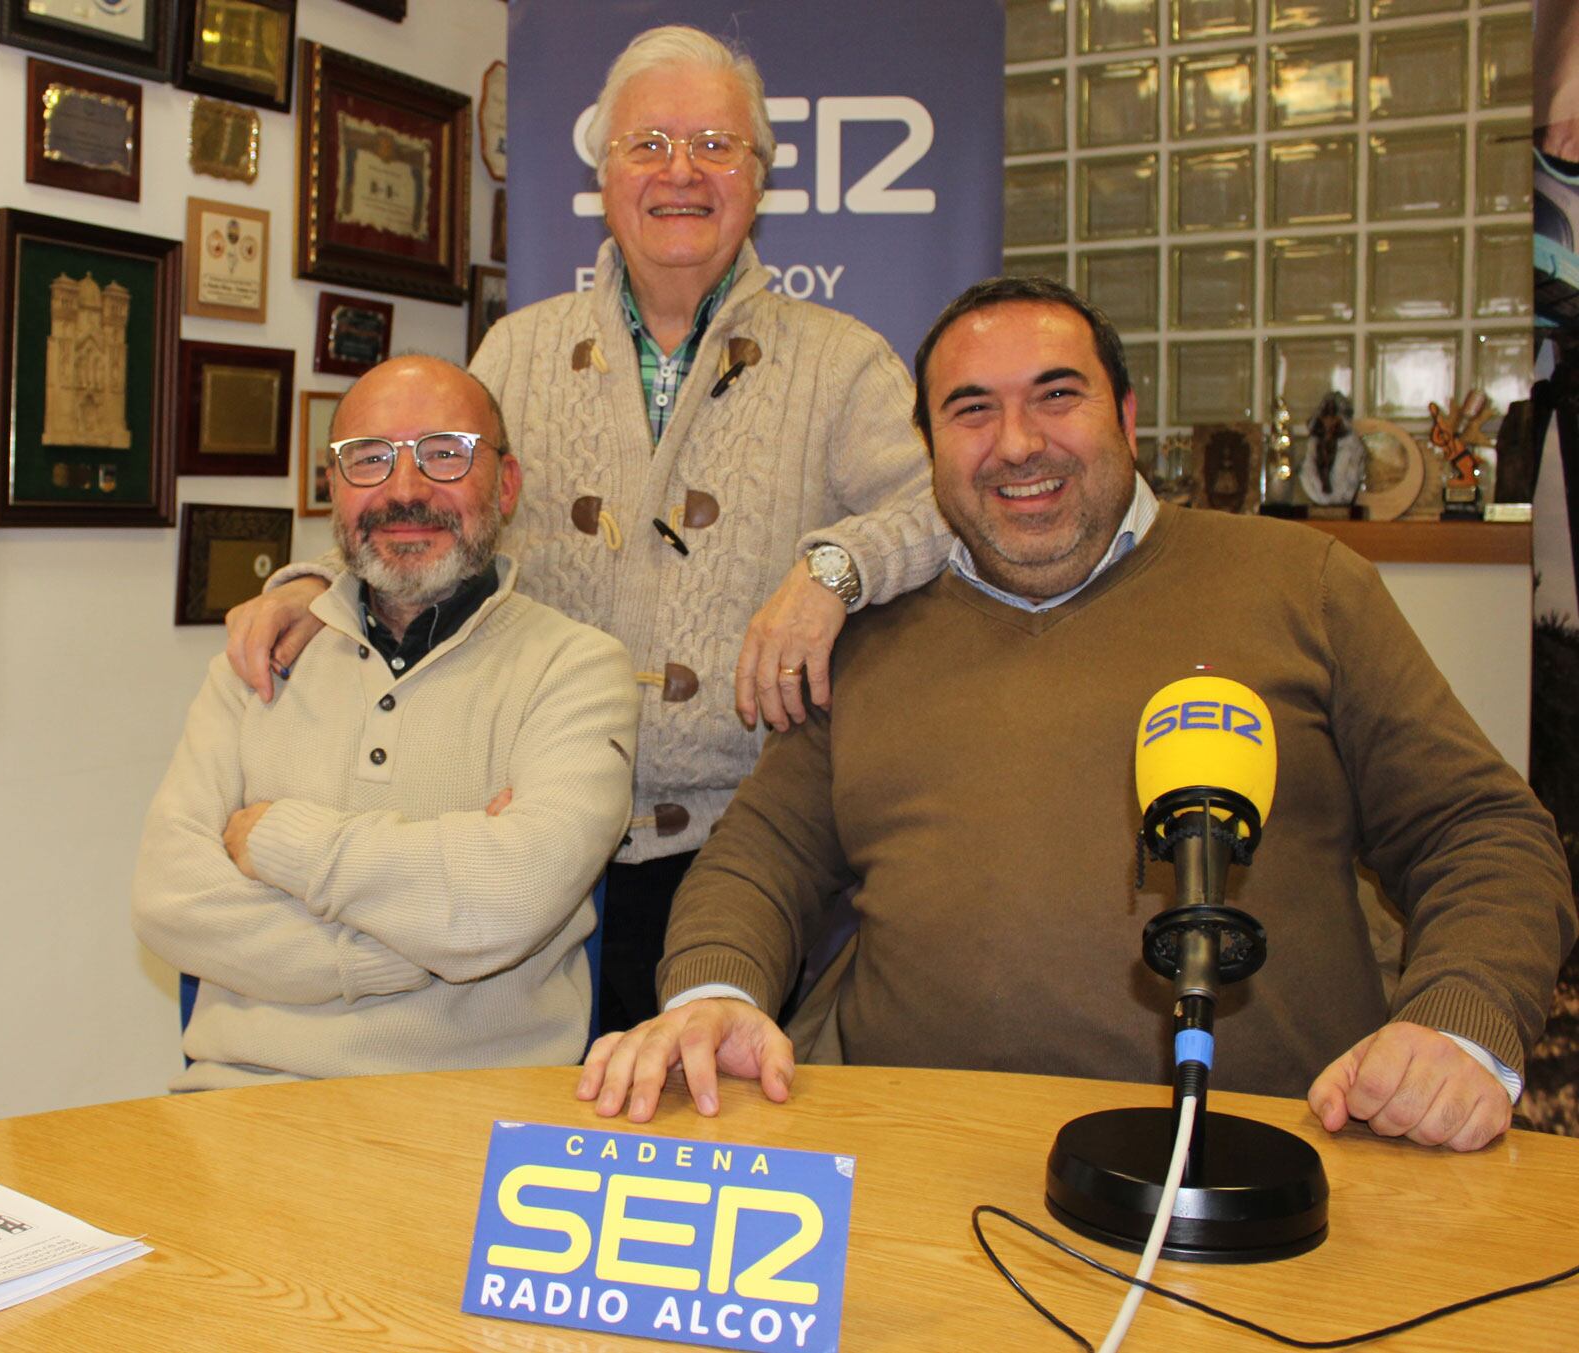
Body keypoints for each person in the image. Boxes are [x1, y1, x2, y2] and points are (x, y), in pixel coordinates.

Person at [576, 277, 1576, 1153]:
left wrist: (1458, 1028)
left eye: (1057, 396)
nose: (1018, 444)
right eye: (971, 411)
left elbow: (1483, 834)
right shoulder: (872, 635)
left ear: (1128, 418)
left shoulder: (1300, 586)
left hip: (1266, 1167)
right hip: (920, 1161)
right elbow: (759, 861)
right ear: (929, 452)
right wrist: (715, 1000)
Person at [223, 26, 949, 1032]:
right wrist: (316, 585)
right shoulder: (517, 351)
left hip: (745, 849)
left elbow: (942, 514)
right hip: (522, 833)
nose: (680, 172)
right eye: (648, 145)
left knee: (707, 1139)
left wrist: (831, 568)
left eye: (714, 145)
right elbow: (430, 507)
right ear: (603, 172)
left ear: (759, 176)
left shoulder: (844, 363)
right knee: (528, 1132)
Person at [131, 356, 639, 1091]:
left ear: (507, 483)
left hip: (475, 1123)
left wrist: (275, 838)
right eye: (368, 459)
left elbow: (512, 899)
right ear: (332, 487)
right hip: (233, 1108)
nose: (404, 490)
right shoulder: (256, 664)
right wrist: (410, 947)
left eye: (445, 454)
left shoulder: (578, 671)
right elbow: (166, 899)